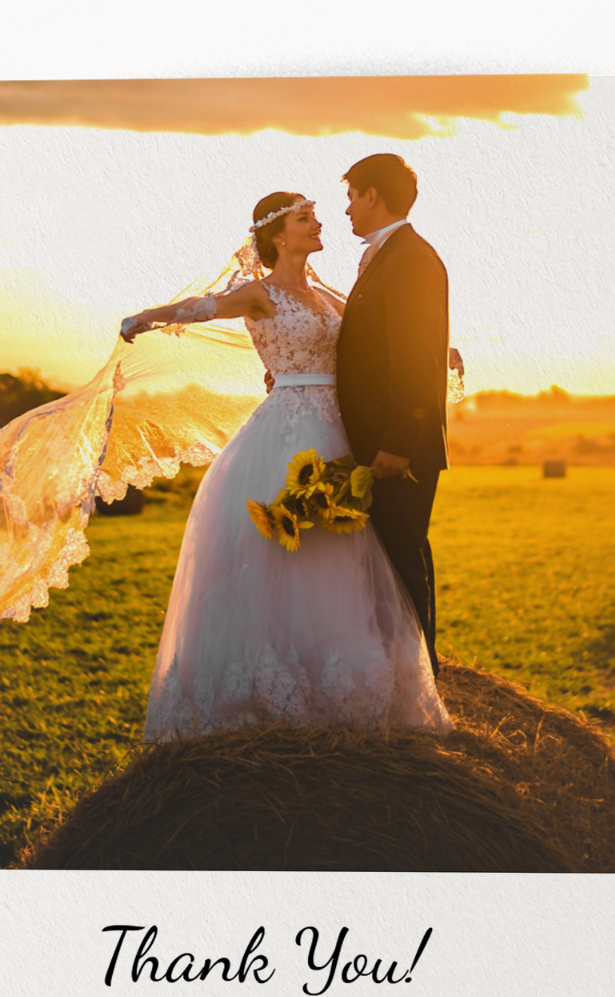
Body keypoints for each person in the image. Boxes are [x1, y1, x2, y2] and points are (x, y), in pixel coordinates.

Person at [120, 191, 452, 740]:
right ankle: (274, 686)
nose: (320, 224)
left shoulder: (328, 295)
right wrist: (147, 317)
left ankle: (348, 685)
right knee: (287, 553)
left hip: (341, 435)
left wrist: (442, 354)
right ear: (278, 236)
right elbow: (201, 306)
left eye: (316, 216)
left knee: (345, 552)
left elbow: (384, 339)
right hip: (287, 433)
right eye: (306, 219)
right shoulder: (259, 292)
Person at [335, 154, 451, 677]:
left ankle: (419, 687)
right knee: (389, 566)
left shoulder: (411, 259)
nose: (347, 210)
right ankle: (401, 680)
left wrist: (399, 441)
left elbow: (416, 356)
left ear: (372, 196)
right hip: (377, 443)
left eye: (351, 197)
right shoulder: (388, 256)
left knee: (403, 566)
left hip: (398, 449)